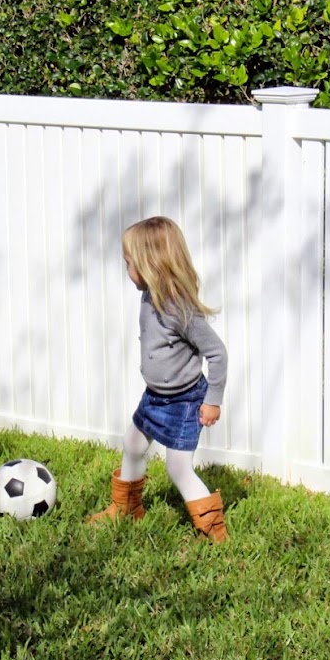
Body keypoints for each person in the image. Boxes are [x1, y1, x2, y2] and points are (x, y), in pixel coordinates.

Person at [88, 216, 229, 542]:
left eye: (129, 264)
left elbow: (218, 353)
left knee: (178, 467)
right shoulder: (149, 296)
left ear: (150, 264)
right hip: (154, 396)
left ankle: (214, 532)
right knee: (133, 444)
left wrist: (213, 401)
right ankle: (126, 508)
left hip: (184, 401)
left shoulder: (180, 310)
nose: (127, 270)